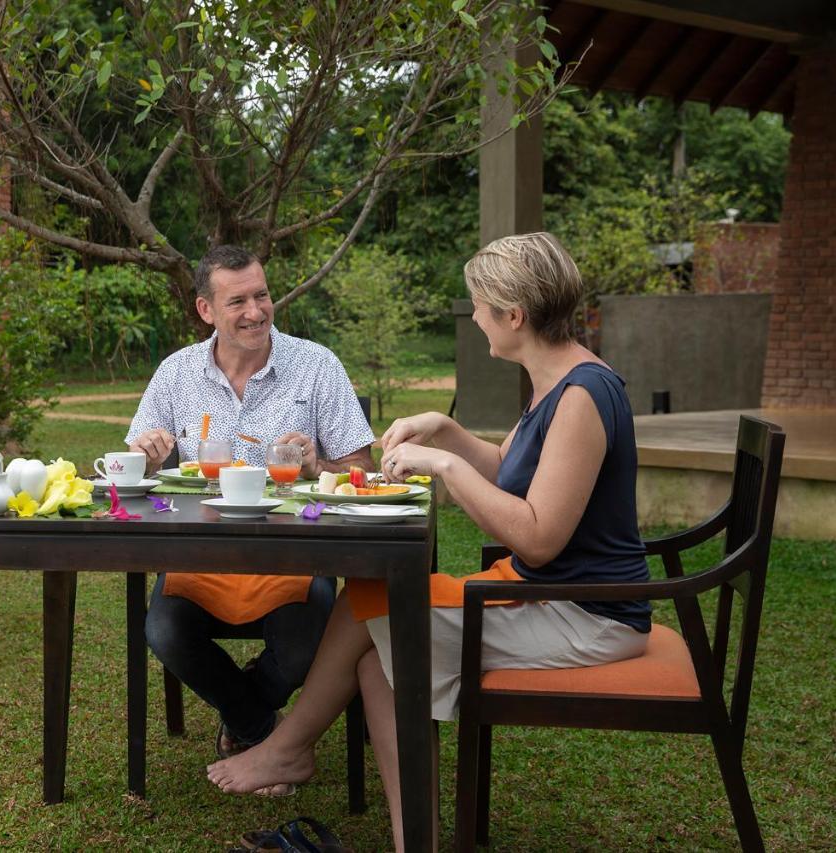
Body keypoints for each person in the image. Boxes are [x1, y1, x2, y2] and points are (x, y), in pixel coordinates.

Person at [206, 232, 652, 850]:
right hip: (548, 595)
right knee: (375, 638)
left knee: (376, 609)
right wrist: (446, 431)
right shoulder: (558, 381)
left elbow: (540, 537)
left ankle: (288, 749)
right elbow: (514, 472)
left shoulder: (581, 395)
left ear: (514, 315)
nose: (473, 317)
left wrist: (445, 467)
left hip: (583, 612)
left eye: (478, 305)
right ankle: (405, 834)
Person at [125, 244, 376, 767]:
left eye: (261, 295)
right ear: (206, 310)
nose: (256, 312)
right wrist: (146, 455)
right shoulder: (176, 374)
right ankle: (263, 728)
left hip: (294, 561)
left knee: (310, 645)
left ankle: (248, 720)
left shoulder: (315, 366)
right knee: (164, 631)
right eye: (237, 301)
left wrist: (317, 468)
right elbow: (135, 464)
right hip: (200, 560)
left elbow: (362, 474)